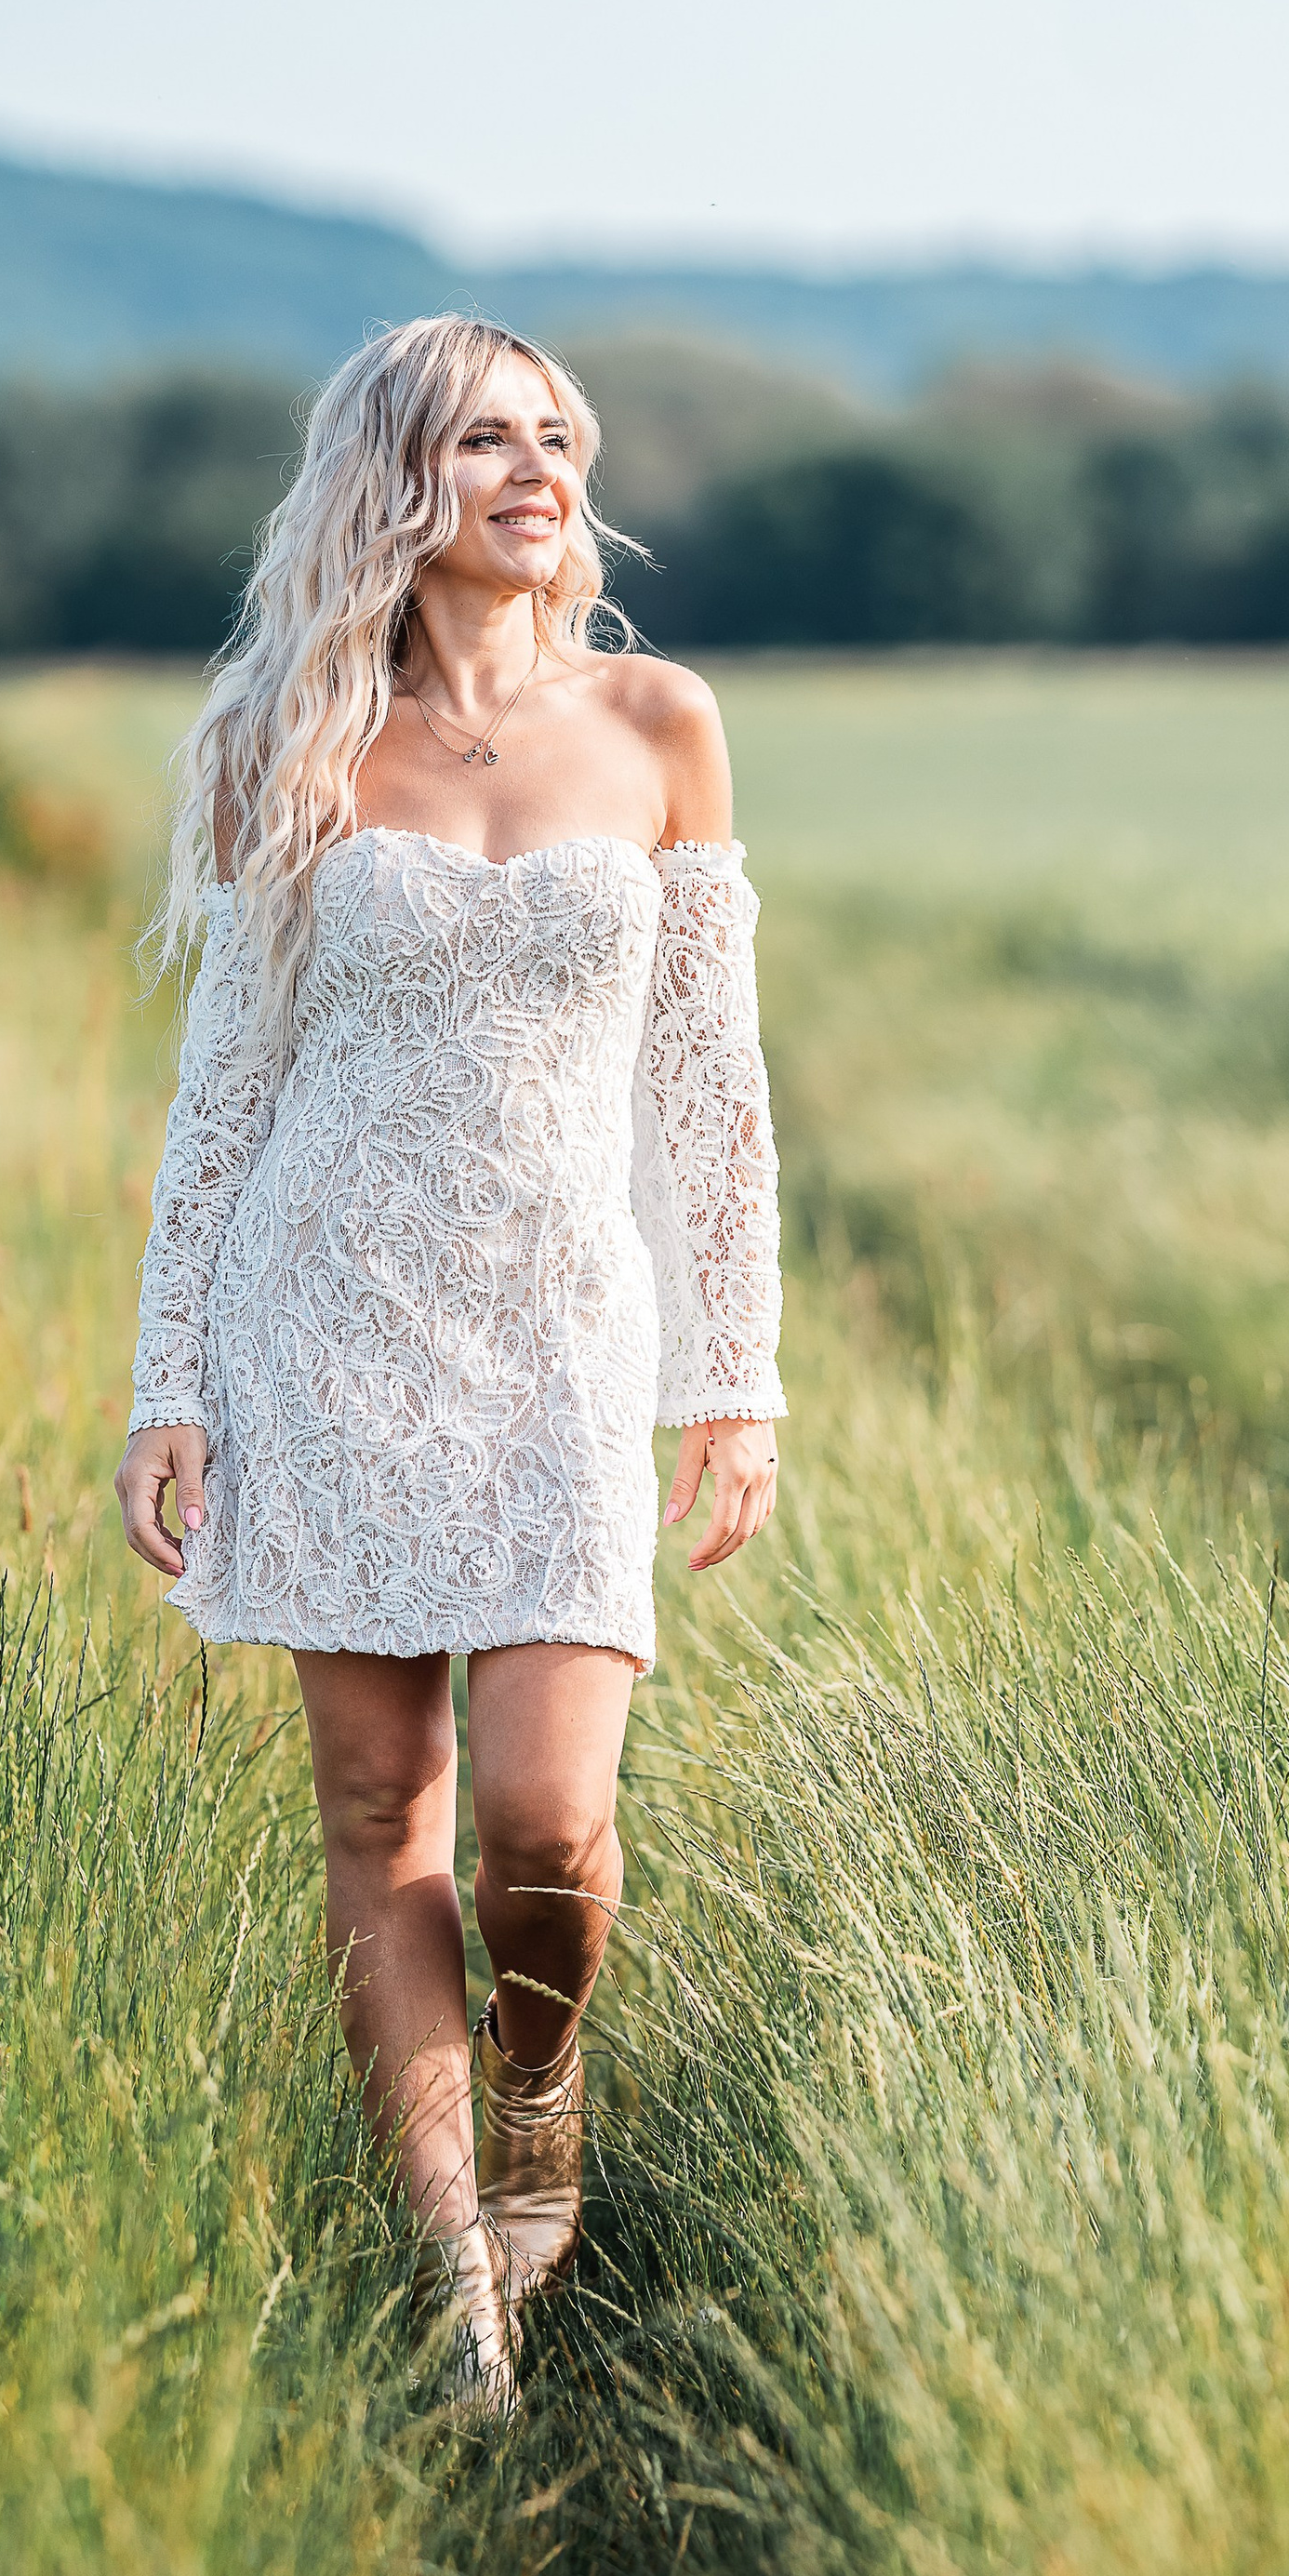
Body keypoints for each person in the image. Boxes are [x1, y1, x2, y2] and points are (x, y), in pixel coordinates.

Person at [114, 315, 785, 2412]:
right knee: (370, 1803)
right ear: (395, 478)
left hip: (562, 1340)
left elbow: (713, 1091)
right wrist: (167, 1378)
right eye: (481, 436)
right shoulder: (290, 741)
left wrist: (733, 1370)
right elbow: (222, 1091)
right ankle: (451, 2284)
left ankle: (539, 2081)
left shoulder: (658, 723)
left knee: (540, 1830)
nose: (532, 466)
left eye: (554, 436)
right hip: (322, 1321)